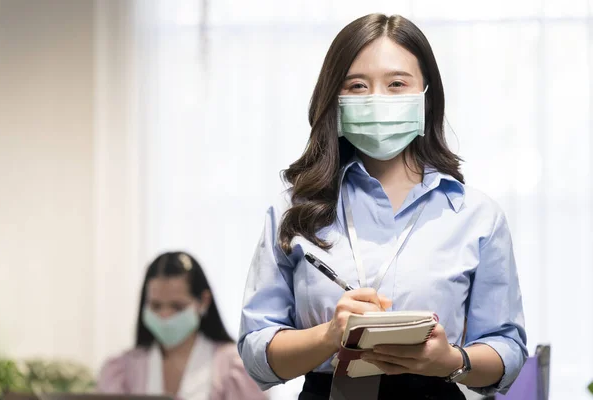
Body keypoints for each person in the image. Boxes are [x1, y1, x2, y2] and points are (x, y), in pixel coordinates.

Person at [238, 13, 527, 400]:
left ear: (426, 95)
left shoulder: (476, 216)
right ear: (334, 100)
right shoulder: (294, 209)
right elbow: (258, 354)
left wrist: (450, 360)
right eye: (357, 86)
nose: (377, 99)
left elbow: (507, 348)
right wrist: (330, 334)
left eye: (396, 84)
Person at [98, 251, 266, 400]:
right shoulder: (123, 369)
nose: (164, 316)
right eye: (156, 306)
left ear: (203, 301)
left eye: (177, 306)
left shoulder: (233, 367)